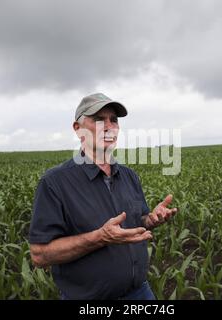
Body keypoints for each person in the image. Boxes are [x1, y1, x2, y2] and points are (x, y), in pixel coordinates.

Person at [28, 93, 178, 300]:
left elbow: (139, 220)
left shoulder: (128, 176)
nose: (109, 126)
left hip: (140, 293)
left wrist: (150, 219)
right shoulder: (55, 182)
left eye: (113, 120)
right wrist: (100, 237)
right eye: (99, 119)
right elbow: (40, 254)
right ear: (77, 128)